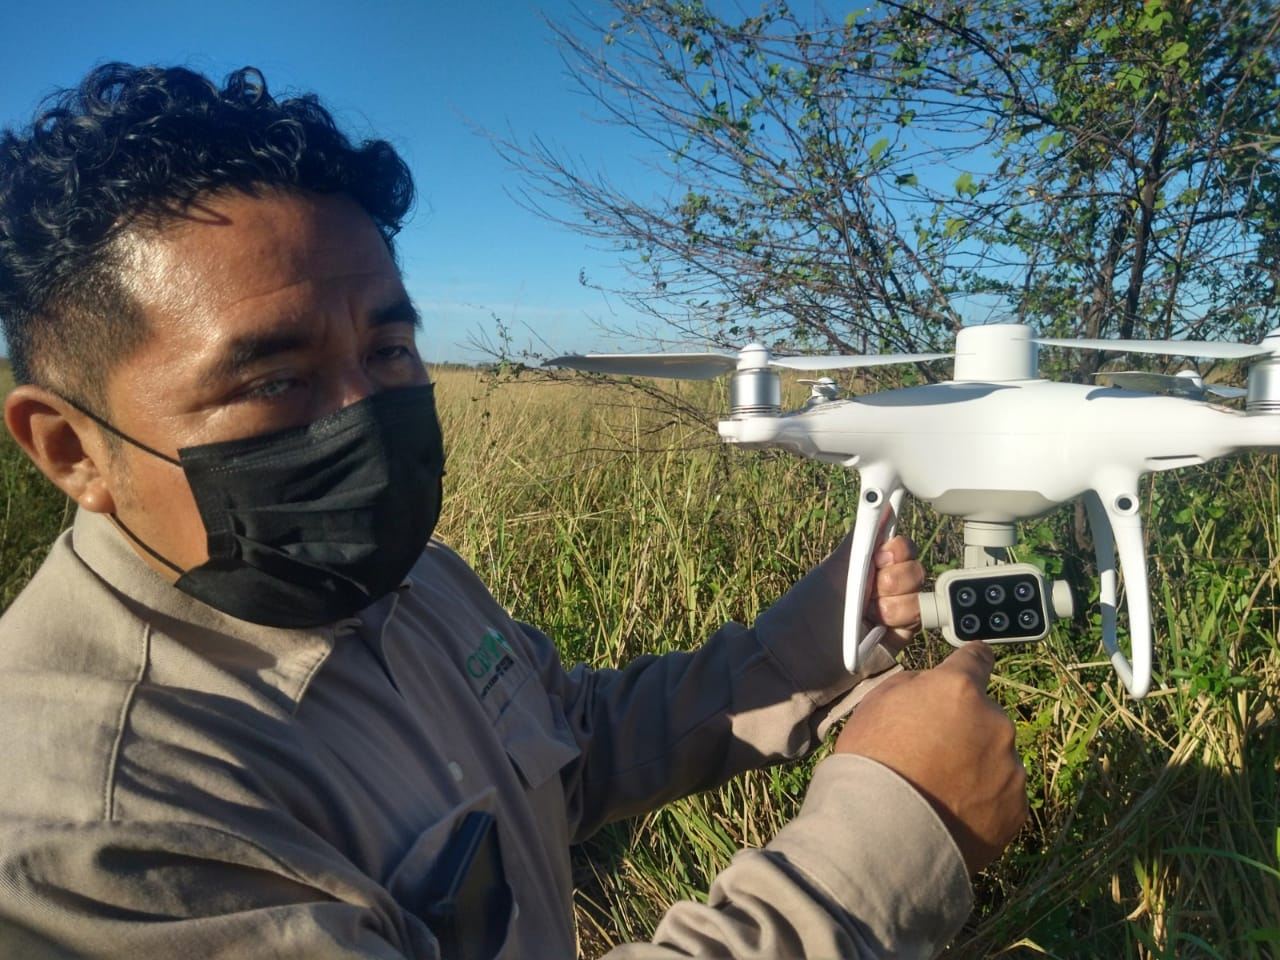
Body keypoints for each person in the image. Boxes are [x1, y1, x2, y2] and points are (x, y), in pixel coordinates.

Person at [0, 63, 1027, 959]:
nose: (365, 420)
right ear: (69, 448)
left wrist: (810, 642)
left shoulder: (407, 582)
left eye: (389, 351)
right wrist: (893, 834)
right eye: (274, 380)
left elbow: (571, 742)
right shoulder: (89, 831)